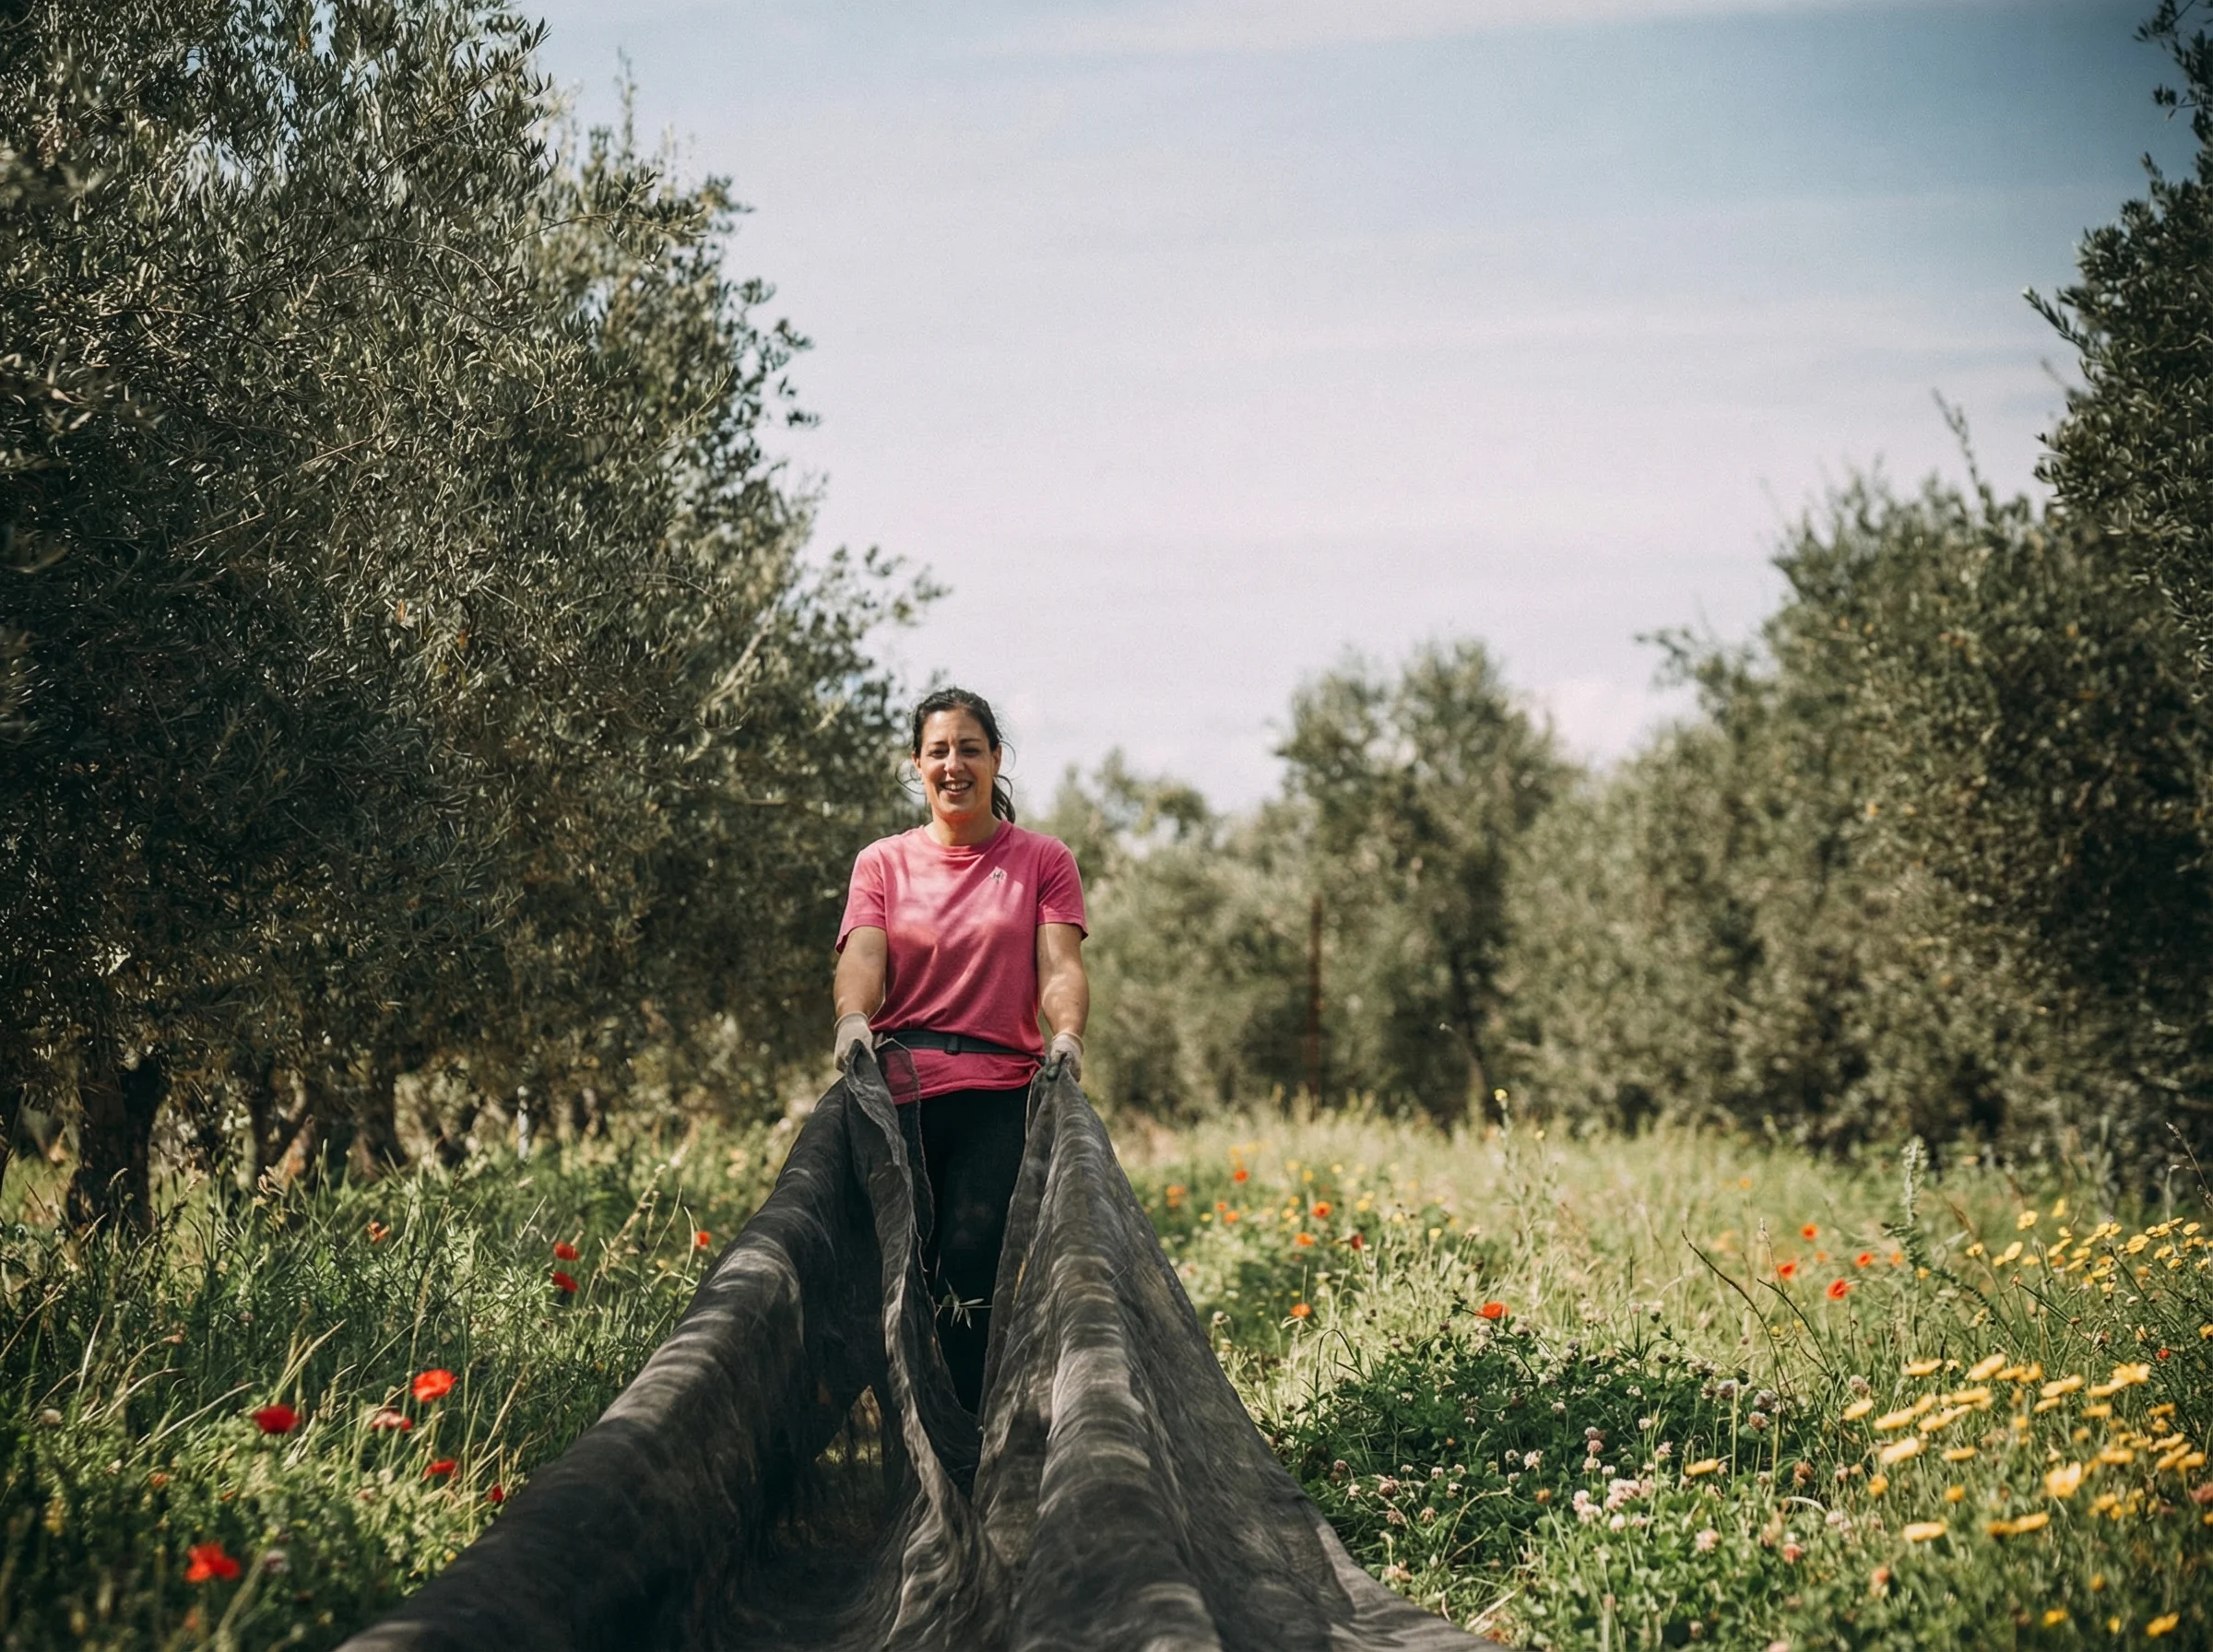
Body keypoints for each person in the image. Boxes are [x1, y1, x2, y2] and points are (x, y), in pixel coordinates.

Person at [833, 687, 1088, 1411]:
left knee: (970, 1266)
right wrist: (851, 1019)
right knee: (895, 1274)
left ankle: (972, 1438)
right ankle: (906, 1439)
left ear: (996, 759)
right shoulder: (882, 863)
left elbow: (1062, 966)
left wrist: (1066, 1035)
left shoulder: (1043, 859)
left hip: (997, 1098)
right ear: (916, 764)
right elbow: (863, 959)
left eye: (969, 749)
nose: (954, 764)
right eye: (938, 750)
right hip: (900, 1099)